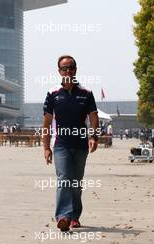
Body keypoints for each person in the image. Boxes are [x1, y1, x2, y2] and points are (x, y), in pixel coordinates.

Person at [43, 55, 99, 231]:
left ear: (76, 69)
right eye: (64, 68)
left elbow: (93, 117)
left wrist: (94, 137)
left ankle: (74, 216)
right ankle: (63, 217)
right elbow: (46, 123)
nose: (68, 71)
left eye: (71, 67)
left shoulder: (86, 93)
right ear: (59, 71)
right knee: (63, 179)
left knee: (76, 182)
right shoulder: (52, 94)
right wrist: (46, 147)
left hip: (81, 145)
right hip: (61, 144)